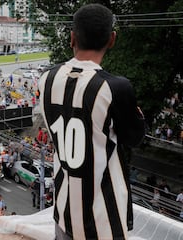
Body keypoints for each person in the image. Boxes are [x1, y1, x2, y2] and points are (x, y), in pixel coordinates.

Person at [39, 4, 146, 240]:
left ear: (72, 38)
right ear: (112, 40)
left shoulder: (46, 79)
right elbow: (134, 137)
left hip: (64, 212)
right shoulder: (115, 87)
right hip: (105, 221)